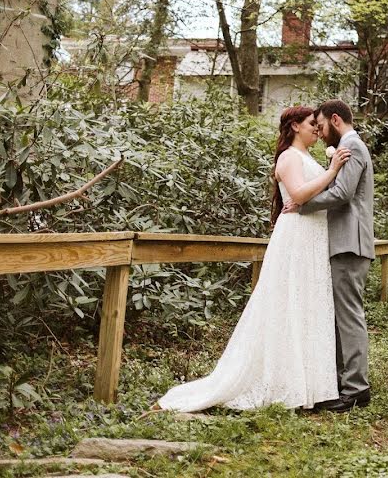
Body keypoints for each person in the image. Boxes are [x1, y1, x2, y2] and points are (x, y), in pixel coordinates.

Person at [156, 106, 352, 412]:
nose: (317, 129)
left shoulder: (306, 157)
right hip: (296, 236)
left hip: (312, 236)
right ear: (295, 126)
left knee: (307, 305)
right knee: (288, 303)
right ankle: (288, 385)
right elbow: (299, 195)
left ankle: (311, 386)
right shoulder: (288, 156)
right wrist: (332, 170)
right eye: (312, 123)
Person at [291, 100, 376, 413]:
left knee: (350, 315)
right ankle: (346, 383)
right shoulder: (350, 146)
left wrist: (302, 204)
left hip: (350, 243)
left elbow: (342, 194)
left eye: (322, 125)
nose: (320, 131)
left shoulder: (352, 146)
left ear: (336, 120)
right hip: (344, 242)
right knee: (342, 315)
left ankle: (356, 389)